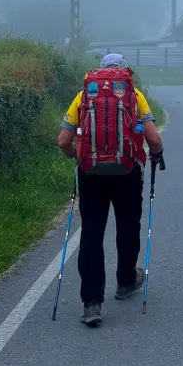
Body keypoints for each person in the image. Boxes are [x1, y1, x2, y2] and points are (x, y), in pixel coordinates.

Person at [57, 54, 164, 327]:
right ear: (124, 73)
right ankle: (126, 281)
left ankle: (91, 303)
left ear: (101, 72)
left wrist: (74, 155)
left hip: (90, 172)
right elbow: (152, 137)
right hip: (127, 171)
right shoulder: (134, 94)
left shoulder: (85, 95)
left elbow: (63, 141)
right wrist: (157, 153)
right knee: (128, 227)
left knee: (92, 233)